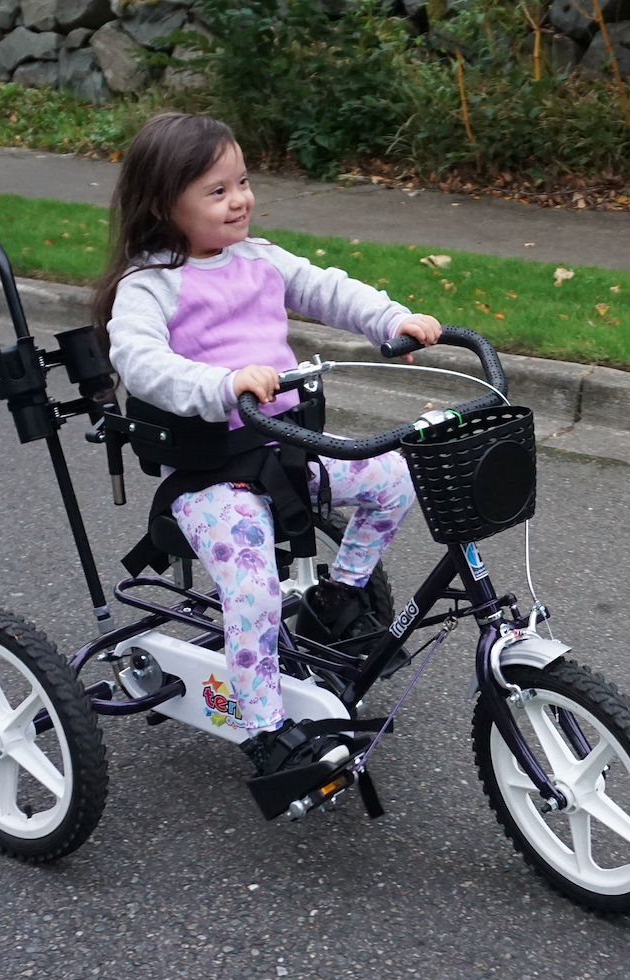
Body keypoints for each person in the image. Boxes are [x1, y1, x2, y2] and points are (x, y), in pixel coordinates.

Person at [94, 112, 440, 778]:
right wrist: (223, 384)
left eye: (243, 182)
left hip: (288, 448)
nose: (241, 199)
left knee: (394, 479)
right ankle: (263, 728)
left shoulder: (260, 260)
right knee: (252, 589)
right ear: (164, 205)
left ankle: (340, 598)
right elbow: (139, 362)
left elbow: (327, 287)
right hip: (212, 474)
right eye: (217, 191)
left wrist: (391, 319)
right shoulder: (148, 286)